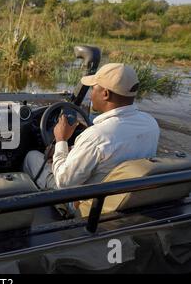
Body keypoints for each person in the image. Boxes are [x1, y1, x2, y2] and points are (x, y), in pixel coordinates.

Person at [23, 63, 160, 193]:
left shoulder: (97, 135)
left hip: (86, 201)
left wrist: (61, 140)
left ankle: (41, 205)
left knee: (31, 157)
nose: (90, 94)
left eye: (93, 88)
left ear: (105, 94)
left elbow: (63, 182)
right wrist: (68, 151)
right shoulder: (151, 123)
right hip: (123, 194)